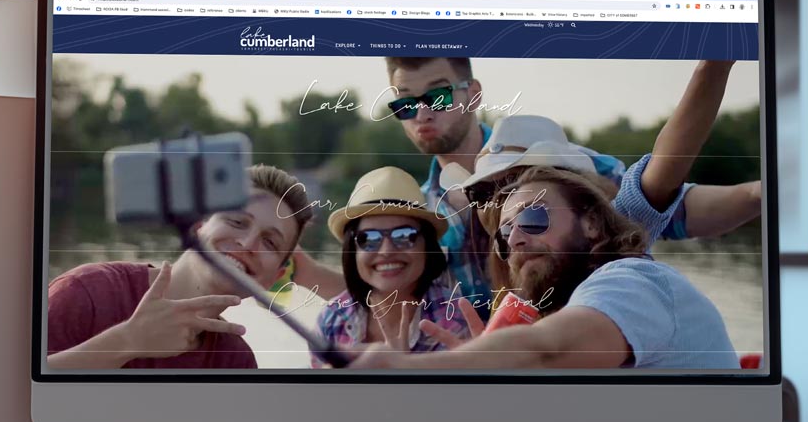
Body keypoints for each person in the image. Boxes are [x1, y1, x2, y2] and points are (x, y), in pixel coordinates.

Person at [288, 57, 762, 316]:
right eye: (405, 106)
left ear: (472, 94)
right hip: (503, 371)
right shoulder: (423, 211)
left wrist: (767, 194)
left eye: (435, 95)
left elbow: (670, 204)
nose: (423, 114)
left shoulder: (555, 166)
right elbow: (397, 299)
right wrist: (296, 271)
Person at [344, 166, 739, 371]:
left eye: (533, 220)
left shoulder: (631, 281)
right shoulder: (576, 304)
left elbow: (548, 350)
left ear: (592, 224)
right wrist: (481, 367)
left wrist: (419, 369)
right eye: (505, 234)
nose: (514, 240)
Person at [46, 164, 314, 369]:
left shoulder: (234, 360)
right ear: (197, 225)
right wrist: (128, 340)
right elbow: (11, 393)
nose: (247, 243)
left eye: (269, 242)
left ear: (273, 278)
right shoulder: (89, 291)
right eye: (237, 222)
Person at [313, 167, 475, 365]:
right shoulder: (332, 319)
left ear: (427, 247)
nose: (386, 251)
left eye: (404, 236)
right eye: (369, 238)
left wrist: (405, 370)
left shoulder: (454, 318)